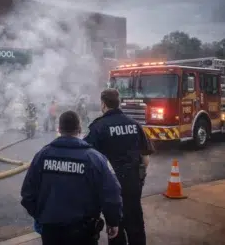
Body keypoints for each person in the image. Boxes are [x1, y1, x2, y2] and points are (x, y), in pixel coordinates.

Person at [21, 110, 123, 245]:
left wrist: (42, 217)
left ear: (59, 129)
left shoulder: (42, 156)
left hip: (51, 231)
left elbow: (27, 194)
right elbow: (112, 193)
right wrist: (113, 221)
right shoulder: (94, 158)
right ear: (80, 129)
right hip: (83, 232)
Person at [84, 88, 154, 245]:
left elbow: (88, 160)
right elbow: (146, 159)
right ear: (119, 103)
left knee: (115, 226)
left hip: (110, 188)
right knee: (136, 223)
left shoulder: (98, 128)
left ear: (103, 104)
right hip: (133, 185)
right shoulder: (135, 125)